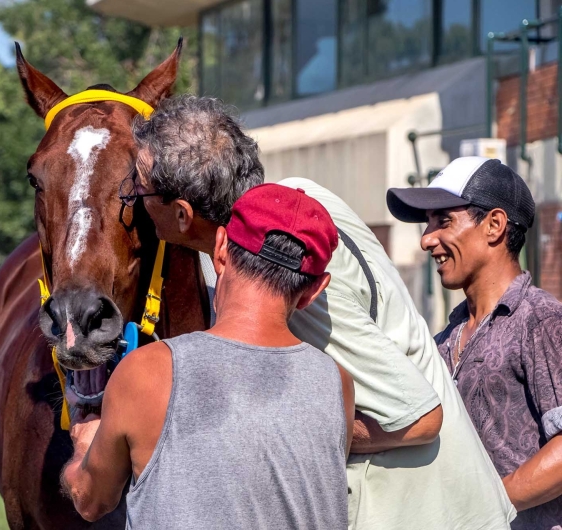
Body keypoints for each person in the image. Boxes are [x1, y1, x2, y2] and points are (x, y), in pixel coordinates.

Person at [130, 95, 515, 529]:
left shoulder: (278, 259)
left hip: (430, 513)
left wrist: (306, 436)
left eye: (139, 189)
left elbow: (421, 417)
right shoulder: (296, 200)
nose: (132, 199)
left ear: (182, 214)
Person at [62, 184, 356, 528]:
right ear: (315, 289)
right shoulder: (337, 383)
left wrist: (84, 445)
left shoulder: (147, 372)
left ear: (220, 250)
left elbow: (91, 500)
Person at [388, 156, 562, 529]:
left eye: (443, 220)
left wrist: (485, 506)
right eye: (427, 224)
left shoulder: (542, 320)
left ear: (494, 225)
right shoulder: (440, 341)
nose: (426, 239)